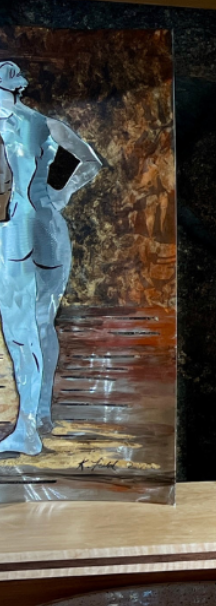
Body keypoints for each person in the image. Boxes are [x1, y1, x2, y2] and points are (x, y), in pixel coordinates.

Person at [0, 60, 102, 456]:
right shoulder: (44, 122)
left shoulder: (5, 124)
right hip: (50, 228)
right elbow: (90, 161)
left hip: (14, 232)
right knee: (43, 323)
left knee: (20, 332)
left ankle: (27, 431)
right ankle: (41, 413)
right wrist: (60, 195)